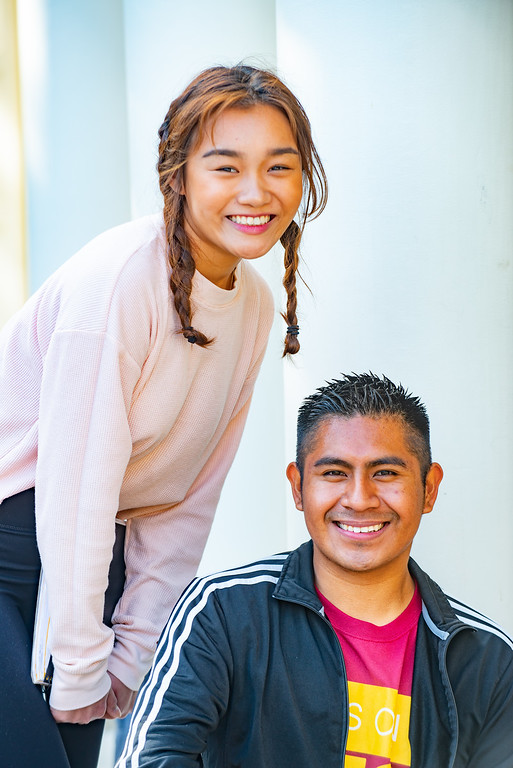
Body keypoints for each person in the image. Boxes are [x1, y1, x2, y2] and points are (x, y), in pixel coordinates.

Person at [0, 64, 327, 768]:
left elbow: (185, 499)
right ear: (178, 175)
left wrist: (134, 650)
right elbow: (75, 488)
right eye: (225, 166)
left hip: (90, 564)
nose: (255, 192)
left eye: (279, 166)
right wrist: (81, 658)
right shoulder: (119, 279)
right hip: (22, 536)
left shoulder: (252, 306)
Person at [117, 373, 513, 768]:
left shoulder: (487, 660)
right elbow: (153, 759)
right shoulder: (223, 612)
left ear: (429, 488)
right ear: (298, 487)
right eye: (334, 473)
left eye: (386, 473)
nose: (359, 499)